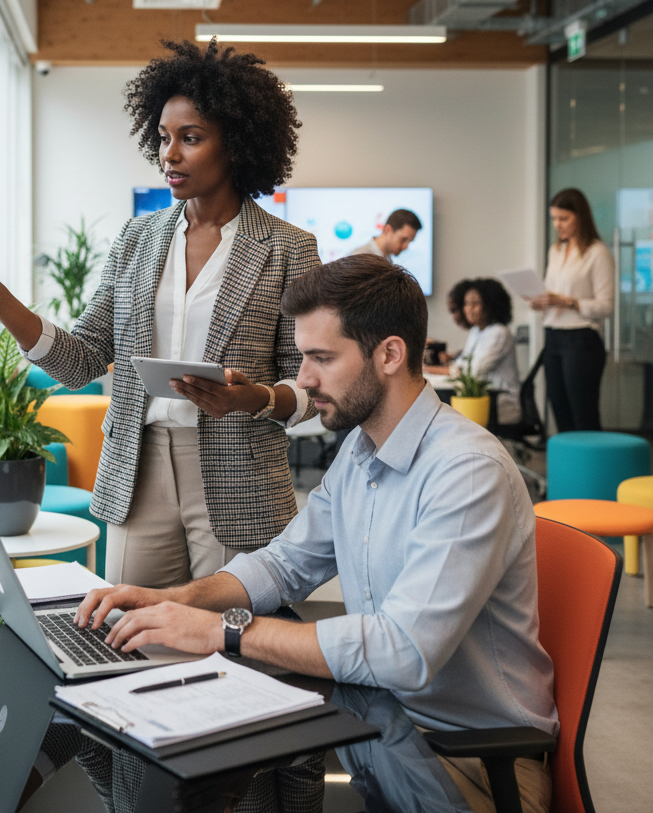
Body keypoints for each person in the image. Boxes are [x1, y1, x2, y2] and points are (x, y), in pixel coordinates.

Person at [76, 255, 557, 813]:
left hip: (470, 764)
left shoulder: (467, 472)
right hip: (381, 726)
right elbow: (284, 564)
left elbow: (402, 652)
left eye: (321, 358)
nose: (303, 379)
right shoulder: (361, 449)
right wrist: (174, 599)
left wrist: (223, 630)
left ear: (390, 355)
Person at [0, 39, 320, 588]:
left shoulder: (287, 249)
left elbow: (312, 385)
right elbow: (82, 360)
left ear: (238, 145)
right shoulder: (137, 238)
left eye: (190, 139)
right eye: (163, 139)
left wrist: (258, 398)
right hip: (139, 468)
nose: (169, 155)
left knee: (228, 645)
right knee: (127, 634)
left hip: (238, 477)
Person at [530, 188, 614, 432]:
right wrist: (539, 302)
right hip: (553, 337)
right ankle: (569, 470)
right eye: (554, 219)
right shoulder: (555, 251)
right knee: (560, 412)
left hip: (582, 340)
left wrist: (568, 302)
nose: (558, 225)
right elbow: (551, 293)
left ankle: (592, 470)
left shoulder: (597, 253)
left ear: (581, 217)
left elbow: (605, 306)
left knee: (583, 416)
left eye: (564, 218)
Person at [427, 278, 522, 424]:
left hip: (499, 402)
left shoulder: (499, 333)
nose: (468, 309)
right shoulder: (477, 331)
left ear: (490, 305)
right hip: (482, 399)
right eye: (466, 304)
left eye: (475, 304)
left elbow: (470, 372)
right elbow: (463, 362)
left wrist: (430, 369)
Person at [348, 208, 421, 261]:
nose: (406, 247)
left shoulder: (386, 259)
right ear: (388, 230)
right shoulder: (360, 258)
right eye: (403, 240)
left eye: (410, 241)